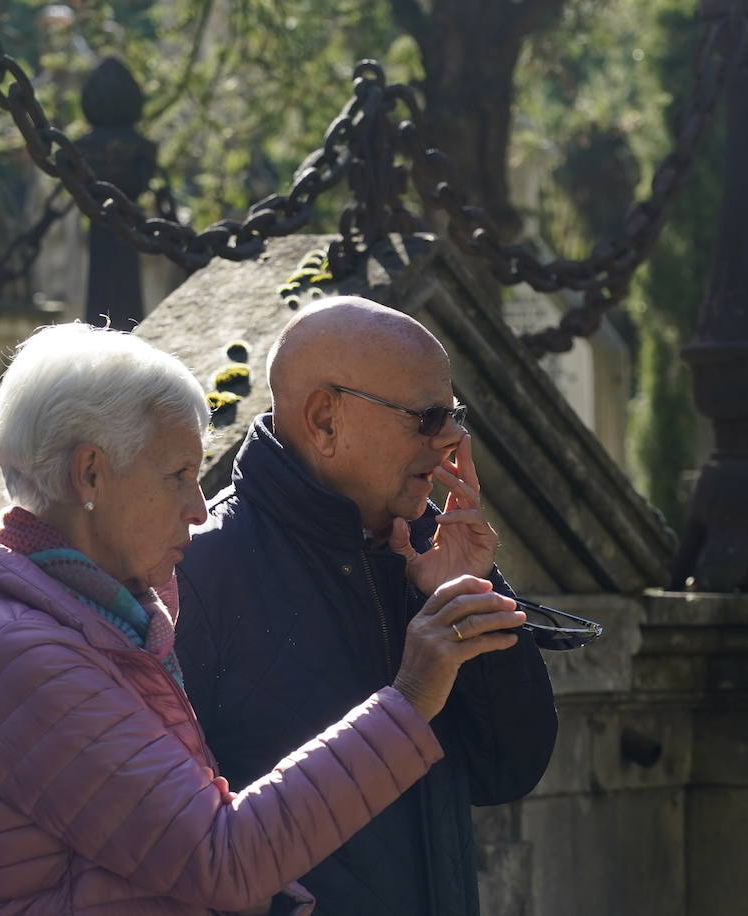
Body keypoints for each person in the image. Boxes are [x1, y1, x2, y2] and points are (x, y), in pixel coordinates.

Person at [0, 322, 527, 915]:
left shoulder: (97, 624)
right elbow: (224, 858)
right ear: (90, 473)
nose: (198, 508)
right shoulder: (22, 655)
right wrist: (411, 697)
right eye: (178, 475)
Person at [176, 297, 559, 915]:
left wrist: (466, 594)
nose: (453, 440)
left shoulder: (424, 553)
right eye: (428, 416)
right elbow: (176, 847)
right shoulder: (198, 572)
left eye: (455, 413)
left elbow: (508, 771)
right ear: (326, 420)